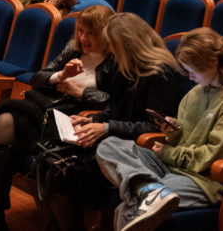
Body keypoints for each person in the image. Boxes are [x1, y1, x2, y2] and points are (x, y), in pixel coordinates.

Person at [0, 6, 118, 231]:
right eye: (81, 31)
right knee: (4, 117)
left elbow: (116, 102)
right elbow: (37, 77)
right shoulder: (73, 49)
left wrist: (80, 92)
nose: (83, 38)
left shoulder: (115, 59)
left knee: (7, 114)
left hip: (75, 120)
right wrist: (61, 75)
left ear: (105, 33)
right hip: (48, 111)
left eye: (90, 33)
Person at [96, 27, 223, 231]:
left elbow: (213, 157)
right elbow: (184, 139)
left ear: (213, 62)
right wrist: (172, 133)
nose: (190, 77)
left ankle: (147, 190)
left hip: (204, 181)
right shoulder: (196, 93)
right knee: (110, 145)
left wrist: (168, 152)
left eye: (193, 70)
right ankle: (149, 189)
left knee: (132, 203)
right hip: (172, 166)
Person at [41, 13, 182, 228]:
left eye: (114, 46)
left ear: (128, 45)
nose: (111, 51)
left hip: (133, 147)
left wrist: (106, 127)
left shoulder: (159, 73)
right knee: (50, 155)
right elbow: (115, 108)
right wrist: (91, 120)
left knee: (66, 169)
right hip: (116, 135)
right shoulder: (125, 66)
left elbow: (155, 127)